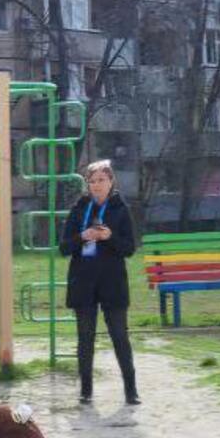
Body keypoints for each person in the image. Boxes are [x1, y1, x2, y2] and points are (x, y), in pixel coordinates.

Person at [59, 159, 139, 406]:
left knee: (119, 336)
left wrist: (109, 236)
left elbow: (129, 249)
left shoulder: (120, 209)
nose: (96, 186)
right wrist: (83, 235)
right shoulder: (79, 208)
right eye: (91, 181)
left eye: (101, 180)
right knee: (85, 338)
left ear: (111, 181)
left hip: (112, 282)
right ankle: (86, 390)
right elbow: (64, 247)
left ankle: (131, 390)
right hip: (83, 282)